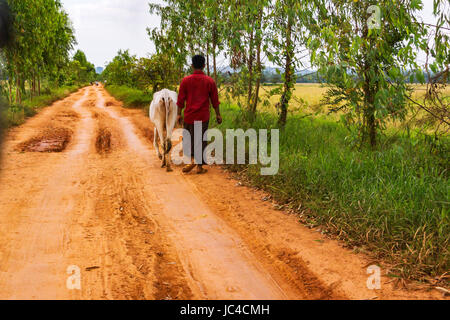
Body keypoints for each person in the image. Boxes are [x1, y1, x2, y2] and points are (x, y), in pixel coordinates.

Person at [177, 55, 222, 174]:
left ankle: (191, 161)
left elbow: (180, 100)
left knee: (189, 139)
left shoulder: (185, 81)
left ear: (192, 66)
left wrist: (178, 114)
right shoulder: (209, 81)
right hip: (202, 117)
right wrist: (218, 115)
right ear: (204, 66)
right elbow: (215, 100)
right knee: (201, 140)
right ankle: (199, 166)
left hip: (189, 116)